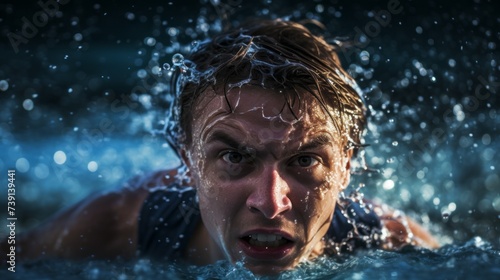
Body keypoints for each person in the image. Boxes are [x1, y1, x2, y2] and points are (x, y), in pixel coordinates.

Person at [2, 19, 439, 275]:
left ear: (346, 168)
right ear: (188, 163)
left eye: (305, 159)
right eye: (233, 156)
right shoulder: (119, 223)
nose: (269, 204)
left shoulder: (392, 242)